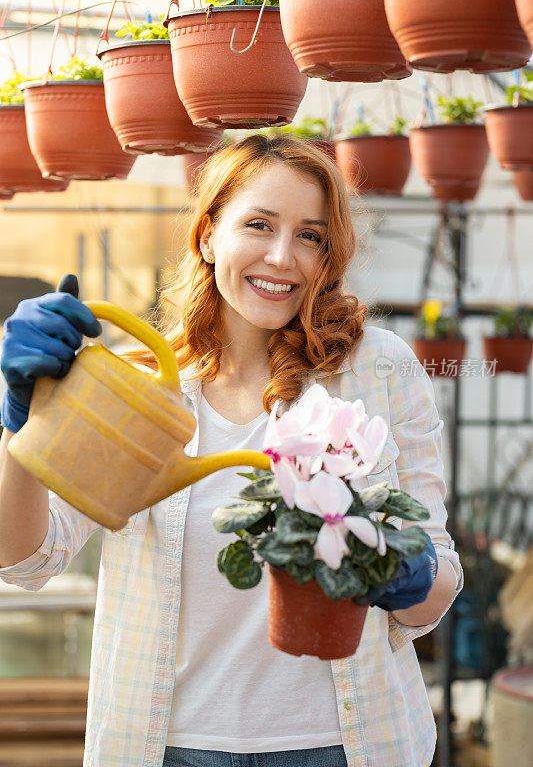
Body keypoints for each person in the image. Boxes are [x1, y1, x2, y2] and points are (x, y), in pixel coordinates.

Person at [0, 135, 463, 767]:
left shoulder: (378, 370)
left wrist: (394, 571)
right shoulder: (138, 389)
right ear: (209, 233)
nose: (282, 256)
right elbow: (29, 562)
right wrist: (20, 431)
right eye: (258, 225)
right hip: (164, 746)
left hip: (346, 747)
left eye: (311, 236)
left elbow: (436, 593)